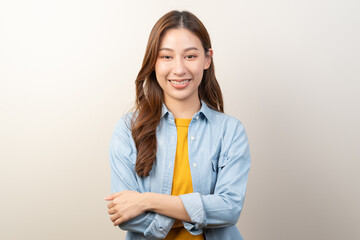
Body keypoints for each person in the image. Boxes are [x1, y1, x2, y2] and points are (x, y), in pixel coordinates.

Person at [104, 10, 251, 240]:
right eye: (166, 57)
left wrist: (146, 201)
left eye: (190, 56)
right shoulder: (128, 129)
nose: (179, 69)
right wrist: (201, 212)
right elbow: (127, 215)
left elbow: (229, 209)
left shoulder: (230, 131)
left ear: (207, 59)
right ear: (153, 61)